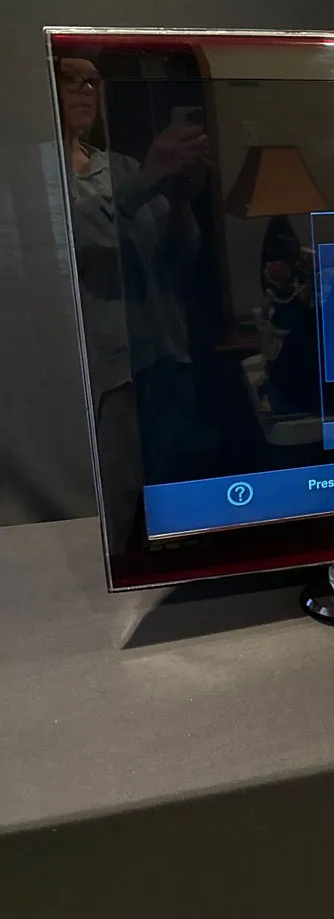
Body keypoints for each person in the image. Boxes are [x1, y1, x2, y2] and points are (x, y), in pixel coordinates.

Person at [57, 54, 209, 548]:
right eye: (70, 78)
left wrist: (181, 199)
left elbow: (179, 253)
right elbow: (80, 244)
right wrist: (149, 176)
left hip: (164, 352)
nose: (85, 88)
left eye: (93, 80)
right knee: (116, 499)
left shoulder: (116, 165)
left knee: (170, 495)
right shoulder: (40, 172)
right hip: (106, 368)